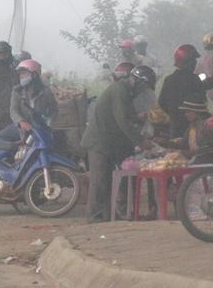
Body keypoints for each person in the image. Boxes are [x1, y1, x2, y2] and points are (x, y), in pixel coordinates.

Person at [84, 66, 154, 223]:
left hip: (110, 142)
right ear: (136, 81)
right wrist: (141, 141)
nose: (143, 91)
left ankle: (110, 216)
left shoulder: (124, 91)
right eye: (143, 87)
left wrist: (137, 117)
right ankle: (95, 217)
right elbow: (122, 120)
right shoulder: (119, 91)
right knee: (100, 181)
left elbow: (126, 115)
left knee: (108, 182)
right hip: (99, 141)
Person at [0, 59, 58, 142]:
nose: (21, 76)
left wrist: (48, 122)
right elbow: (13, 110)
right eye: (20, 74)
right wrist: (21, 121)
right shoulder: (17, 91)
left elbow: (54, 109)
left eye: (24, 73)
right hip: (21, 127)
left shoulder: (46, 92)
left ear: (34, 75)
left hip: (39, 129)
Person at [158, 44, 204, 138]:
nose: (195, 63)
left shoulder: (169, 80)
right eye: (193, 60)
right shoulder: (195, 80)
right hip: (193, 127)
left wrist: (174, 113)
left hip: (175, 126)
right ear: (186, 62)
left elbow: (161, 102)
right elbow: (202, 101)